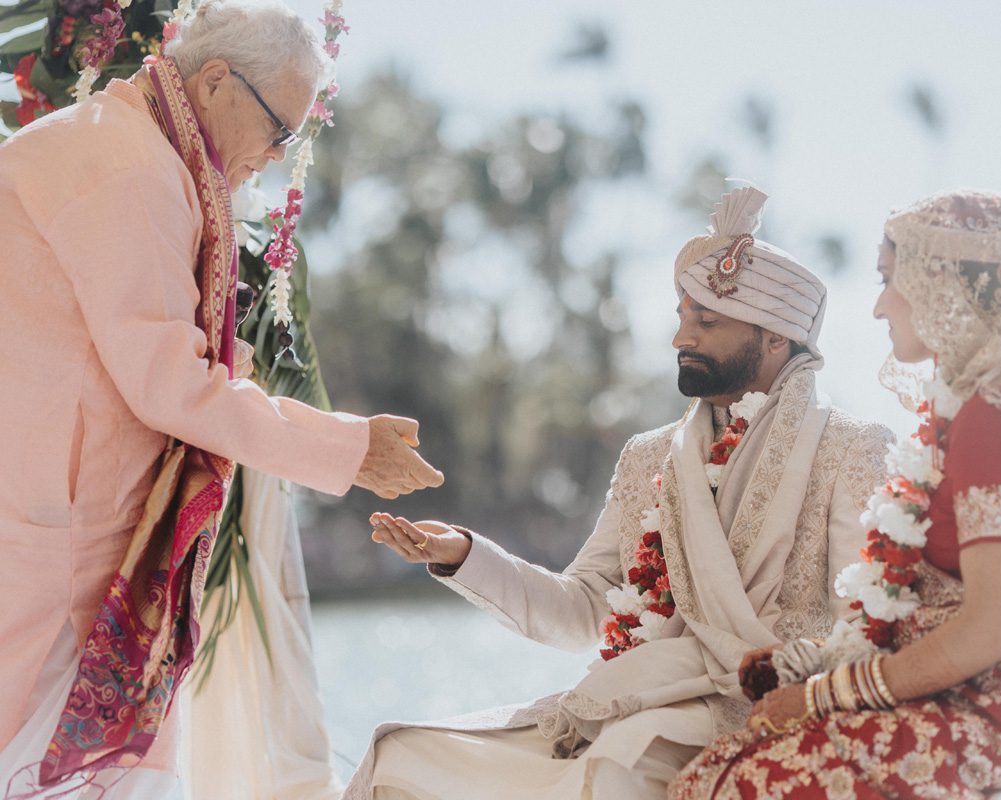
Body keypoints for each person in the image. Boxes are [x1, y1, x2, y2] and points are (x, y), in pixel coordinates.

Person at [0, 1, 443, 795]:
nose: (277, 156)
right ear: (214, 82)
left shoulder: (115, 139)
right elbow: (174, 385)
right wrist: (347, 449)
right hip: (54, 553)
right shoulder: (129, 168)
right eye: (280, 131)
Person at [344, 186, 893, 800]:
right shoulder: (649, 457)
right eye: (681, 316)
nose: (681, 337)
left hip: (761, 713)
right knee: (403, 754)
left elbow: (863, 627)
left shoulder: (850, 448)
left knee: (613, 769)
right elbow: (584, 609)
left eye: (707, 321)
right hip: (634, 701)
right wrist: (464, 556)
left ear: (776, 338)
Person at [669, 190, 1001, 799]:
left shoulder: (995, 418)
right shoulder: (980, 405)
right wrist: (819, 660)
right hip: (988, 695)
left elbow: (991, 629)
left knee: (737, 782)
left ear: (945, 286)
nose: (880, 306)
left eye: (889, 280)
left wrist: (823, 694)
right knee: (723, 765)